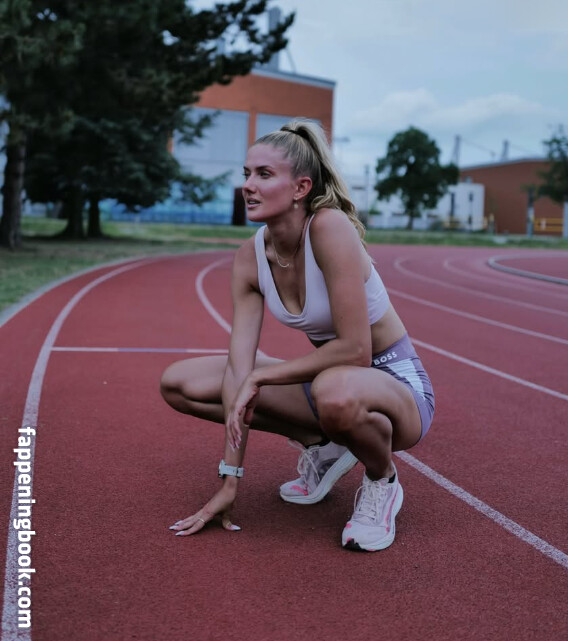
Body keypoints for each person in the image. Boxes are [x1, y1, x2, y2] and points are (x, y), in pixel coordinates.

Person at [161, 119, 435, 551]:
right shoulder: (250, 257)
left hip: (394, 385)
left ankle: (382, 480)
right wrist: (230, 479)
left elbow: (356, 350)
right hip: (329, 383)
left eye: (264, 174)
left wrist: (261, 377)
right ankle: (323, 445)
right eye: (246, 174)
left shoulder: (329, 228)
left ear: (300, 187)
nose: (248, 186)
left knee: (332, 391)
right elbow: (238, 368)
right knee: (181, 383)